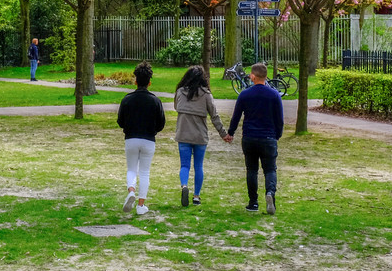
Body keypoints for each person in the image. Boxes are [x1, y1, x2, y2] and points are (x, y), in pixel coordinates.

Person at [226, 62, 284, 214]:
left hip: (250, 137)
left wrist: (230, 132)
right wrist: (277, 134)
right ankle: (270, 193)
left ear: (252, 76)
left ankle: (253, 202)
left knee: (252, 170)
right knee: (270, 169)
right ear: (265, 76)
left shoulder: (245, 94)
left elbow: (236, 116)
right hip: (268, 136)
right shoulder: (274, 95)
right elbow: (279, 119)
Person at [116, 61, 166, 215]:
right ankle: (141, 205)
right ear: (150, 82)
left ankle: (131, 190)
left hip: (131, 138)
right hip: (148, 139)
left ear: (135, 80)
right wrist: (153, 130)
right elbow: (161, 123)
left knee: (131, 168)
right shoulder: (155, 101)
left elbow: (120, 120)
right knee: (144, 172)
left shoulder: (127, 99)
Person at [174, 65, 227, 207]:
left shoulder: (180, 92)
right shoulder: (206, 95)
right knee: (199, 166)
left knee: (184, 165)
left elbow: (175, 107)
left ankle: (184, 185)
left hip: (183, 134)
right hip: (200, 136)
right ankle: (196, 196)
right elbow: (214, 116)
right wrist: (224, 134)